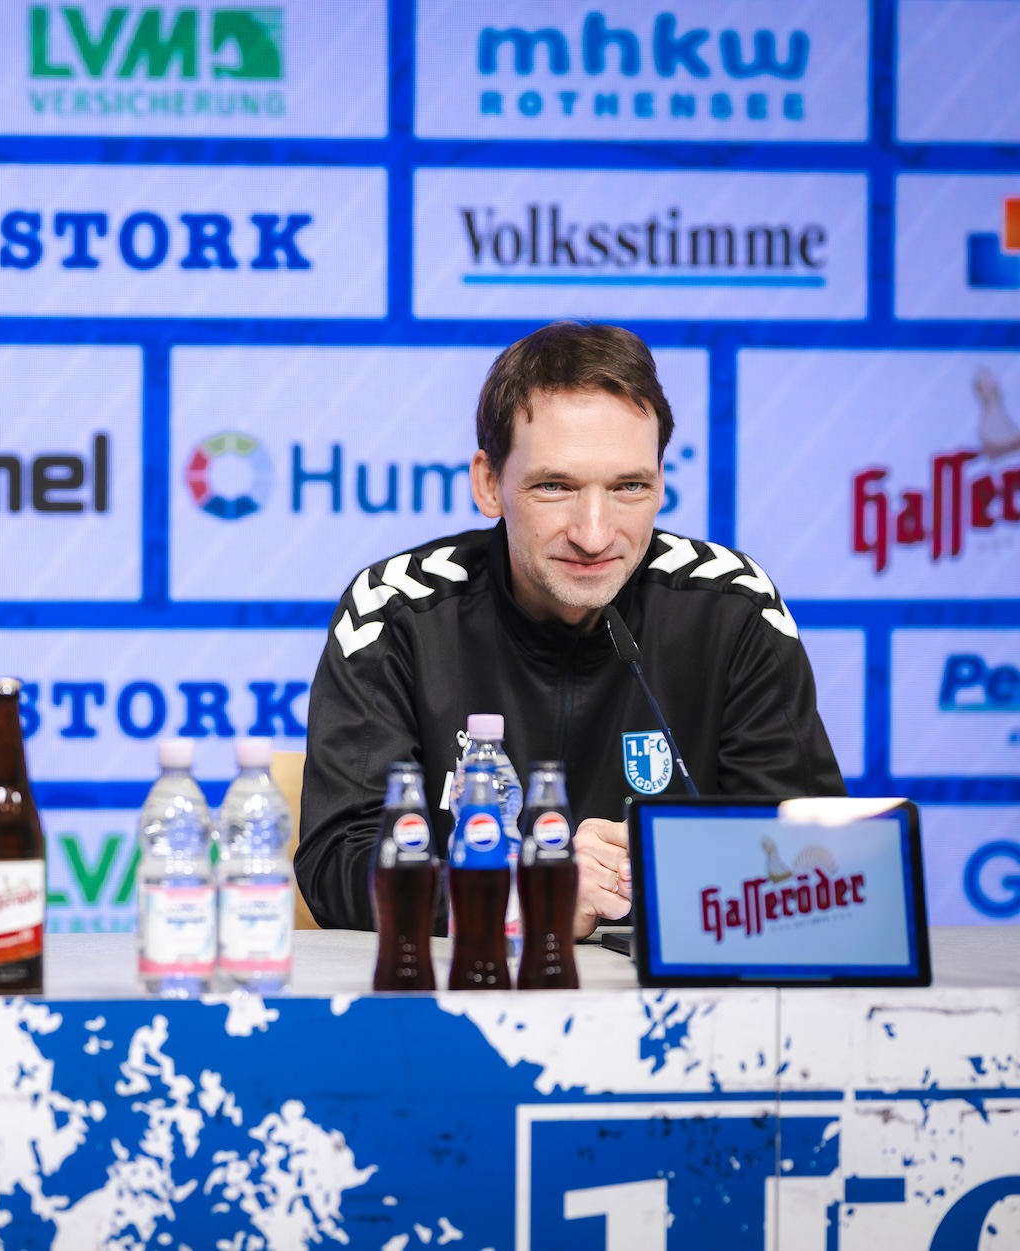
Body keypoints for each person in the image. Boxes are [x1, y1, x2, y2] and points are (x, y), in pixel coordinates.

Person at [296, 321, 844, 935]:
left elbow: (816, 870)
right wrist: (528, 896)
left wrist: (668, 873)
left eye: (629, 487)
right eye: (555, 487)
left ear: (661, 483)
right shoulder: (395, 612)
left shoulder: (733, 607)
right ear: (489, 484)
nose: (593, 533)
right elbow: (338, 862)